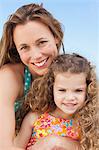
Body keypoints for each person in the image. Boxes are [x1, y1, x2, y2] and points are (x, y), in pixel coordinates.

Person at [0, 3, 80, 150]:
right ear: (17, 50)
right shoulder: (9, 77)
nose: (36, 55)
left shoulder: (69, 76)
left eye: (42, 42)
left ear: (56, 37)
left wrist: (56, 141)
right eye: (24, 47)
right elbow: (4, 147)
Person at [14, 53, 98, 150]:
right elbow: (14, 148)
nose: (70, 97)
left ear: (88, 90)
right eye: (62, 90)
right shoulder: (35, 118)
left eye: (78, 90)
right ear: (51, 88)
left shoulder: (88, 123)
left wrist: (56, 141)